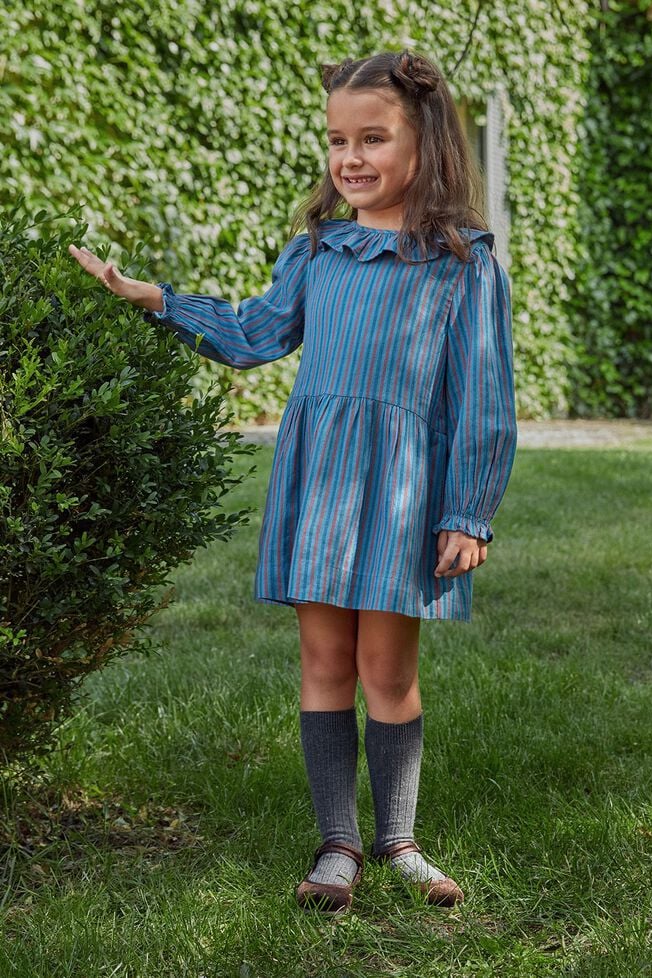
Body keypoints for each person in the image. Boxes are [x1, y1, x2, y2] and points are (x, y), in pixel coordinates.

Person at [69, 49, 517, 915]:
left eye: (372, 138)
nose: (350, 157)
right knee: (323, 659)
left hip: (405, 494)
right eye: (336, 140)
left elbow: (484, 398)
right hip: (321, 486)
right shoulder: (318, 249)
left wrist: (469, 509)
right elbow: (251, 334)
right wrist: (157, 299)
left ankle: (400, 839)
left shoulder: (464, 262)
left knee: (386, 669)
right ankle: (337, 845)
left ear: (426, 141)